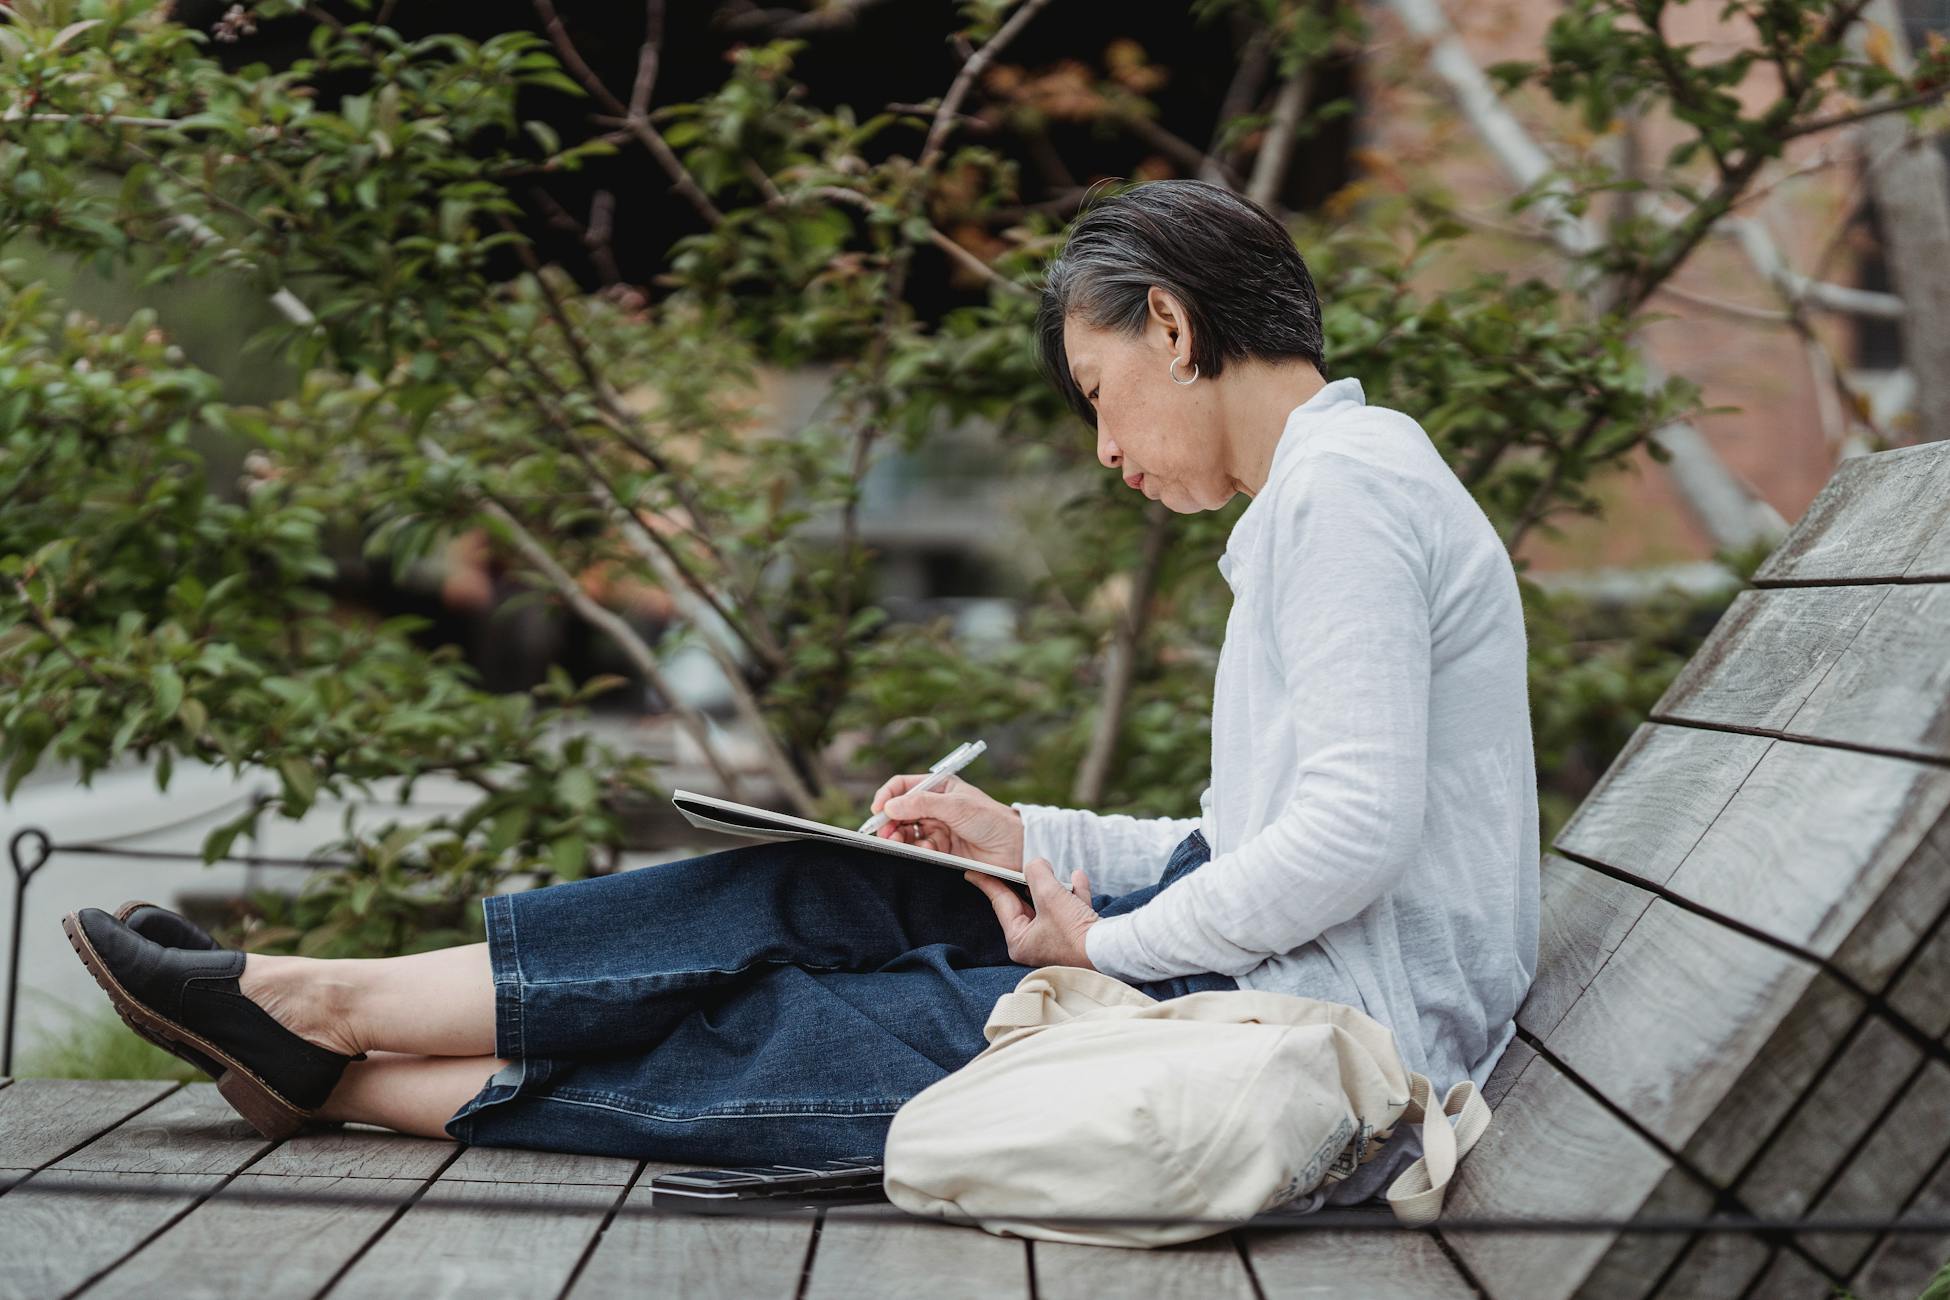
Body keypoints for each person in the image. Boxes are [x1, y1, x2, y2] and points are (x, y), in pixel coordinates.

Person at [61, 179, 1538, 1186]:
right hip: (1277, 978)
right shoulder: (1330, 489)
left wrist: (1109, 949)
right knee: (816, 890)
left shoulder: (1341, 490)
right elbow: (1262, 836)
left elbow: (1345, 835)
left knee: (803, 1032)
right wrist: (1027, 842)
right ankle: (321, 1002)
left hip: (1322, 1044)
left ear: (1169, 323)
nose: (1105, 447)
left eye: (1098, 396)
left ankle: (324, 1050)